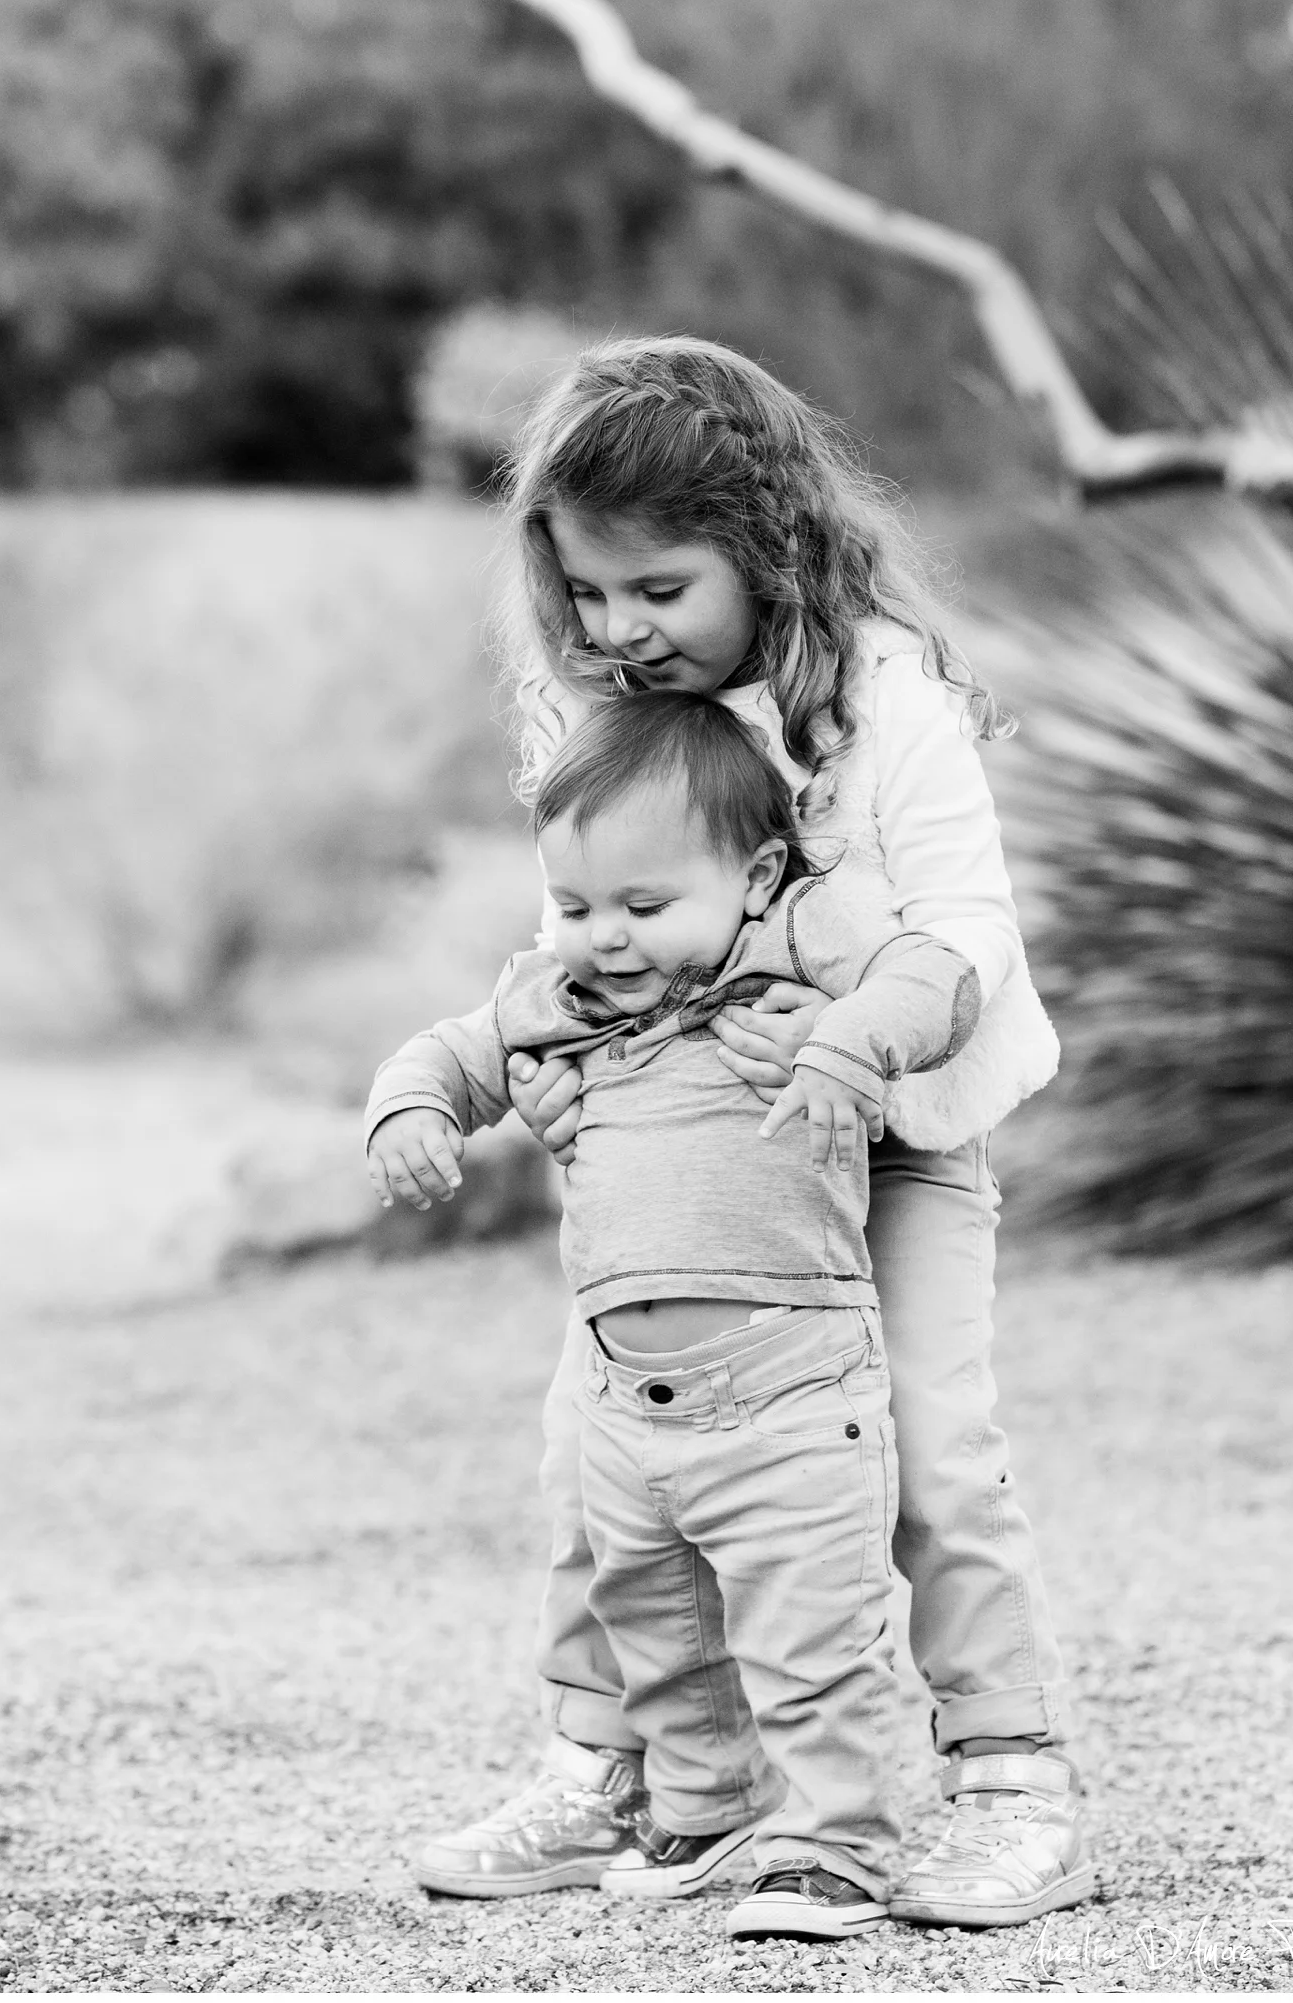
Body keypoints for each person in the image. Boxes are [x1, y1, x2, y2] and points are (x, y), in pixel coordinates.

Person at [416, 335, 1092, 1929]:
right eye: (587, 592)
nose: (616, 628)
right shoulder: (589, 705)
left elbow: (972, 927)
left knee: (927, 1451)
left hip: (894, 1142)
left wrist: (866, 1034)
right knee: (601, 1456)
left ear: (766, 546)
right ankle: (621, 1772)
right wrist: (560, 1073)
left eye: (658, 588)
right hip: (694, 1173)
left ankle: (1011, 1784)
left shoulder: (878, 692)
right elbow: (576, 934)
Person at [367, 694, 984, 1939]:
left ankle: (835, 1846)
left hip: (795, 1381)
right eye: (579, 907)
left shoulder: (801, 945)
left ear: (754, 875)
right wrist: (411, 1114)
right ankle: (712, 1811)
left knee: (810, 1625)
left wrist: (854, 1042)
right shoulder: (567, 1000)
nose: (605, 939)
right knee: (659, 1622)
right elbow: (448, 1048)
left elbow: (941, 973)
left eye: (646, 908)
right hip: (621, 1401)